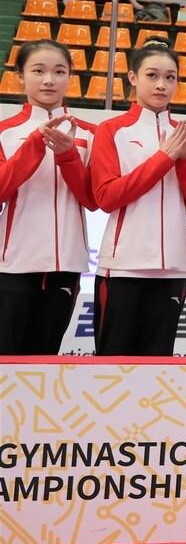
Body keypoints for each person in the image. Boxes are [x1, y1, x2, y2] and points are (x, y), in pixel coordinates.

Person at [89, 39, 186, 356]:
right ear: (132, 77)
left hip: (173, 271)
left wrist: (182, 158)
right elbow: (107, 197)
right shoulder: (111, 130)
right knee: (111, 367)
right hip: (122, 269)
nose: (161, 85)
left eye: (170, 78)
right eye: (152, 75)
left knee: (157, 369)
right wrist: (165, 157)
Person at [0, 41, 97, 355]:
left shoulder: (91, 133)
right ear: (20, 76)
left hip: (66, 262)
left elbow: (93, 199)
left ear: (70, 77)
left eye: (59, 71)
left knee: (45, 357)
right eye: (38, 71)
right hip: (12, 262)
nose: (48, 80)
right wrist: (34, 145)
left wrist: (68, 154)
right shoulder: (5, 131)